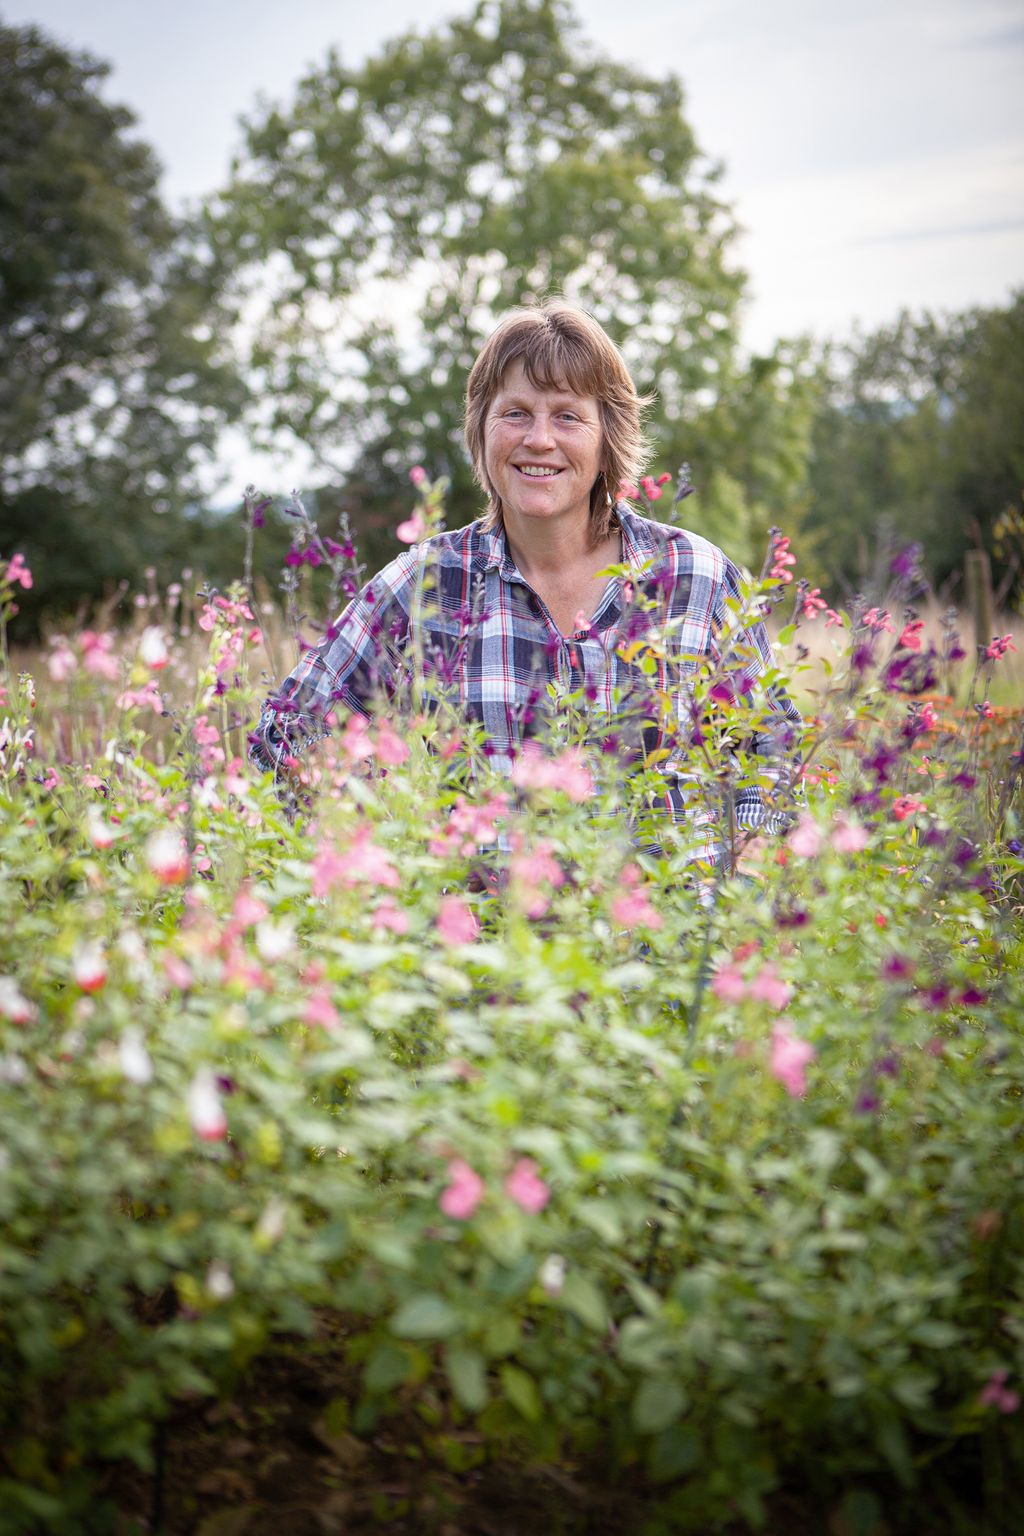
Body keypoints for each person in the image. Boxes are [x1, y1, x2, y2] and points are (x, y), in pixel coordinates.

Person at [249, 299, 800, 866]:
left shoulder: (694, 578)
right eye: (515, 413)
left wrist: (741, 873)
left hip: (673, 944)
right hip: (494, 947)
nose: (539, 439)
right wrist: (386, 850)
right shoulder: (429, 586)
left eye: (567, 415)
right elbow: (285, 736)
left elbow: (776, 742)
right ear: (482, 431)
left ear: (609, 436)